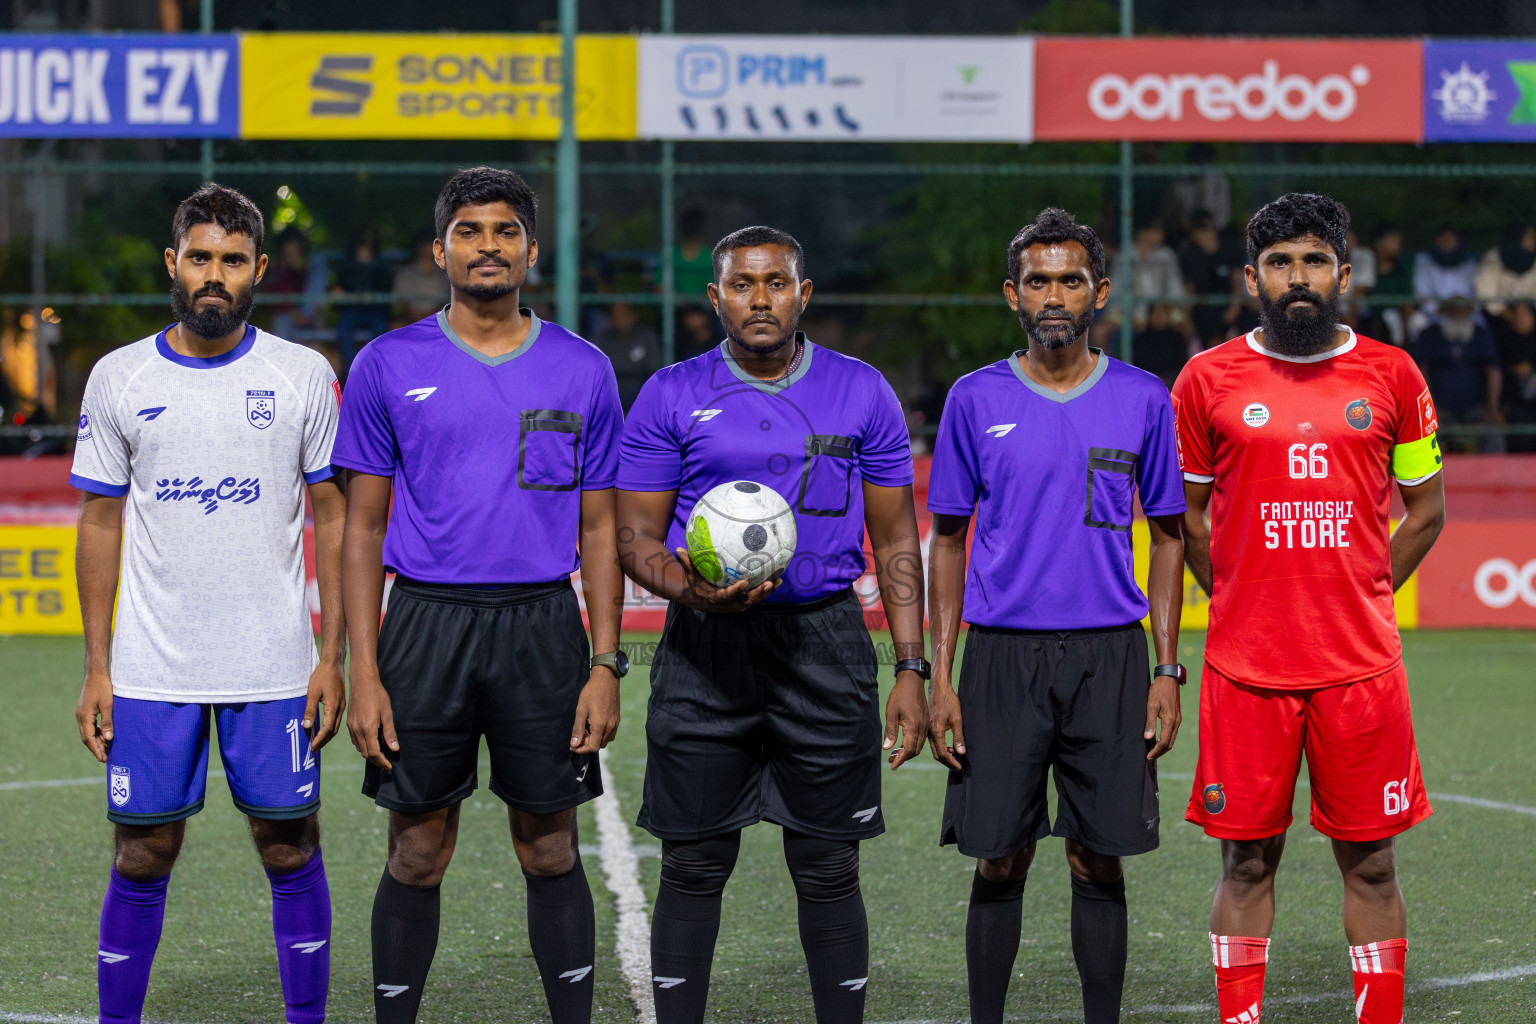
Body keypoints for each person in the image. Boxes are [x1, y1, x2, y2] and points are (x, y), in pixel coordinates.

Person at [616, 225, 929, 1024]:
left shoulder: (862, 391)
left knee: (828, 866)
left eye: (778, 283)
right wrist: (689, 593)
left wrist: (911, 668)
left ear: (804, 295)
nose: (761, 298)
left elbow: (895, 541)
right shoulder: (670, 393)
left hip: (825, 641)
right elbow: (635, 540)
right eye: (744, 284)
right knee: (693, 863)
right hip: (702, 650)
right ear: (715, 296)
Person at [333, 167, 624, 1024]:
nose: (487, 245)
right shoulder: (388, 364)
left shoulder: (584, 369)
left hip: (543, 625)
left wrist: (606, 661)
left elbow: (601, 531)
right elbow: (360, 532)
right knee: (418, 851)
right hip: (425, 623)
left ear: (530, 251)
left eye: (504, 231)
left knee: (549, 848)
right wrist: (366, 670)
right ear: (439, 251)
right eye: (469, 230)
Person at [71, 184, 345, 1024]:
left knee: (288, 843)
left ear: (259, 269)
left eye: (231, 260)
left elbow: (332, 518)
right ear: (173, 264)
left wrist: (330, 657)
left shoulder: (300, 374)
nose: (214, 275)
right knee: (143, 852)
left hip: (274, 666)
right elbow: (100, 520)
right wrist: (96, 669)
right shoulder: (119, 376)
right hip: (155, 668)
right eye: (200, 258)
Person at [1172, 193, 1446, 1024]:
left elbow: (1426, 509)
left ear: (1345, 275)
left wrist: (1362, 586)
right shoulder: (1205, 378)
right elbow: (1185, 518)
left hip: (1359, 670)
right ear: (1252, 277)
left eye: (1314, 261)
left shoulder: (1394, 374)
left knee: (1372, 868)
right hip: (1244, 670)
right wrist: (1240, 598)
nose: (1299, 278)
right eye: (1282, 263)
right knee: (1246, 867)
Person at [926, 208, 1186, 1024]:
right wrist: (940, 676)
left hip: (1111, 658)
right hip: (1001, 659)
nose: (1053, 294)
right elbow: (947, 540)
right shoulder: (975, 398)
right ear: (1013, 294)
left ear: (1099, 293)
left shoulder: (1145, 398)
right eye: (1037, 279)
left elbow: (1172, 536)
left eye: (1070, 279)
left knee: (1098, 859)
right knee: (999, 858)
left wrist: (1168, 669)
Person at [1414, 298, 1504, 451]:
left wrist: (1492, 408)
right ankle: (1433, 475)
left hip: (1475, 410)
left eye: (1462, 312)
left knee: (1493, 434)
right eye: (1453, 313)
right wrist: (1429, 408)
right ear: (1444, 314)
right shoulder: (1429, 335)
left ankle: (1497, 475)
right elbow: (1420, 373)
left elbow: (1493, 371)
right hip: (1439, 410)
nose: (1458, 316)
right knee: (1424, 437)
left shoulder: (1480, 335)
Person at [1179, 210, 1246, 349]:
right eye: (1198, 230)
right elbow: (1190, 289)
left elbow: (1238, 280)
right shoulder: (1190, 255)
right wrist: (1187, 317)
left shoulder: (1230, 248)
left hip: (1229, 307)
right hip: (1203, 311)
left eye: (1205, 227)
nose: (1203, 234)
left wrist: (1234, 307)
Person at [331, 229, 395, 372]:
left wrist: (371, 296)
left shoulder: (381, 268)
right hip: (351, 310)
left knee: (381, 331)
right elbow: (338, 291)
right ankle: (354, 370)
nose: (365, 250)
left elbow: (386, 291)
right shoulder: (346, 266)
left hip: (374, 311)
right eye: (362, 246)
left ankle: (375, 370)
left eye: (369, 247)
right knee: (343, 329)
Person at [590, 301, 661, 411]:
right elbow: (594, 374)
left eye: (625, 314)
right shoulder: (601, 339)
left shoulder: (647, 336)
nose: (622, 320)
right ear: (610, 319)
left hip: (639, 393)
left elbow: (653, 372)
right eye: (616, 316)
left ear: (634, 316)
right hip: (610, 394)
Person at [1490, 301, 1536, 452]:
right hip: (1514, 407)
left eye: (1525, 315)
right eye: (1517, 315)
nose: (1520, 319)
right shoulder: (1505, 341)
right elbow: (1499, 375)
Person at [1475, 222, 1536, 317]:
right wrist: (1512, 317)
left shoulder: (1533, 259)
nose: (1533, 240)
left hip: (1529, 315)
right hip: (1499, 317)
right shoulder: (1491, 262)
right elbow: (1488, 301)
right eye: (1529, 237)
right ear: (1517, 238)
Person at [390, 233, 451, 327]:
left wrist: (431, 316)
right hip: (409, 318)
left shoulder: (445, 275)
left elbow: (447, 300)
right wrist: (413, 315)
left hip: (438, 319)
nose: (428, 250)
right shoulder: (406, 273)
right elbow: (400, 301)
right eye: (426, 246)